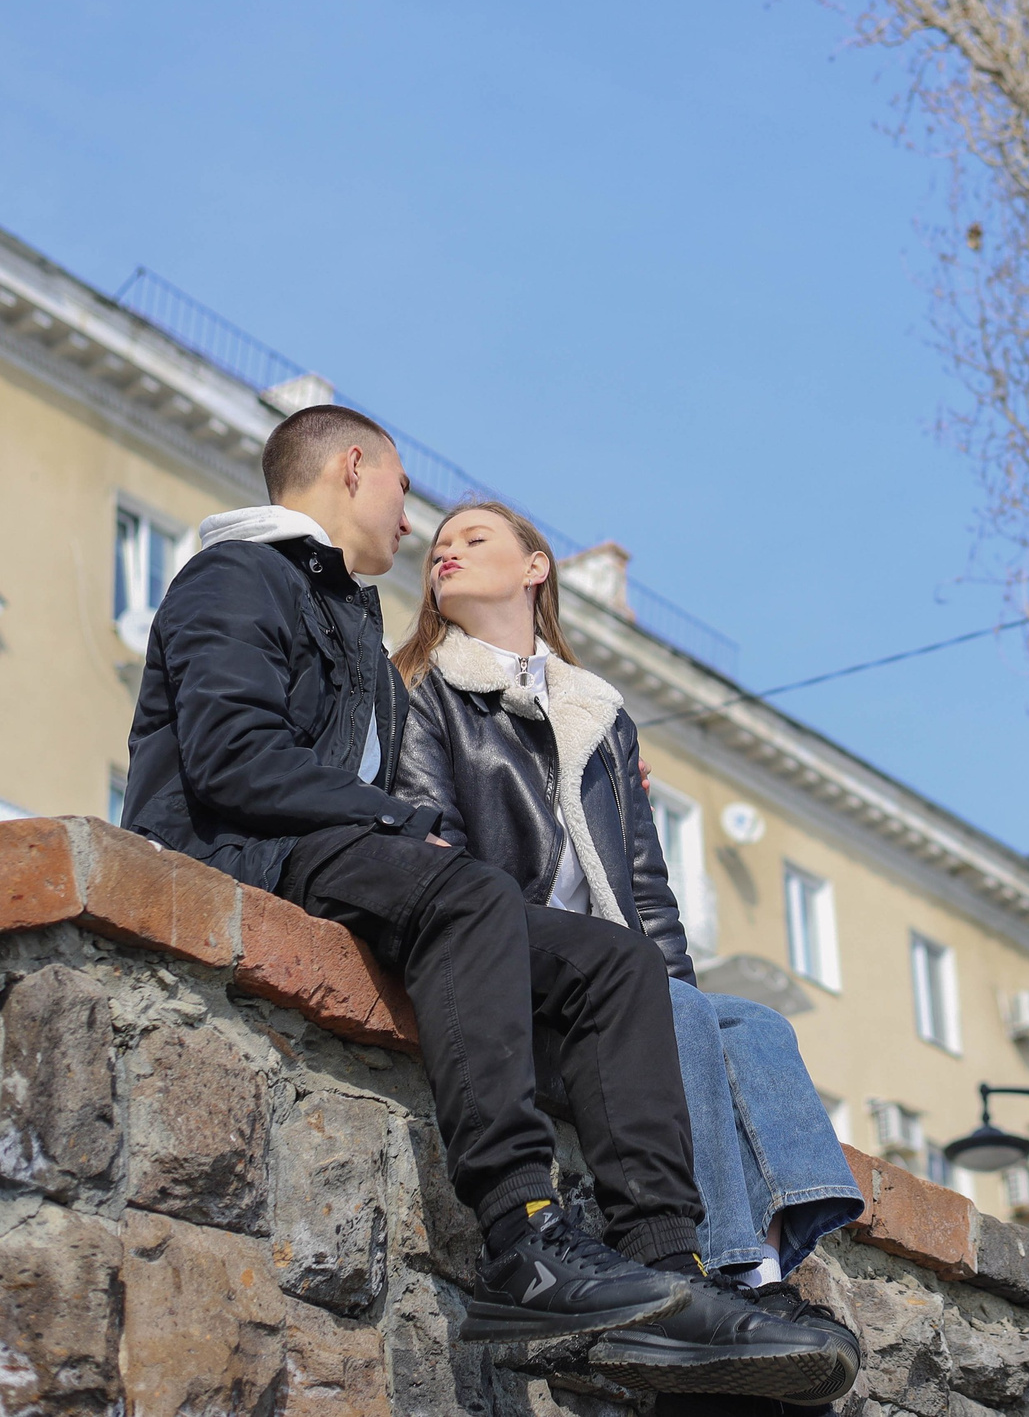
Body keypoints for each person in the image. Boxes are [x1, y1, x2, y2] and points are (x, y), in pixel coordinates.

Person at [119, 405, 829, 1390]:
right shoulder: (238, 574)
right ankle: (526, 1239)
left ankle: (663, 1280)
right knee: (468, 895)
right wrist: (398, 828)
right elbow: (230, 757)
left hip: (337, 859)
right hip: (248, 853)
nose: (410, 523)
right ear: (354, 468)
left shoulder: (353, 624)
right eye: (406, 492)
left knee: (614, 964)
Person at [393, 498, 865, 1408]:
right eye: (438, 546)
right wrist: (662, 1007)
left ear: (536, 566)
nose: (444, 551)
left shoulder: (597, 713)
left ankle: (767, 1277)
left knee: (753, 1025)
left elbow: (645, 889)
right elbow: (433, 846)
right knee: (675, 1006)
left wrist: (676, 1013)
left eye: (473, 538)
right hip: (520, 975)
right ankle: (718, 1275)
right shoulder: (424, 688)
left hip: (616, 979)